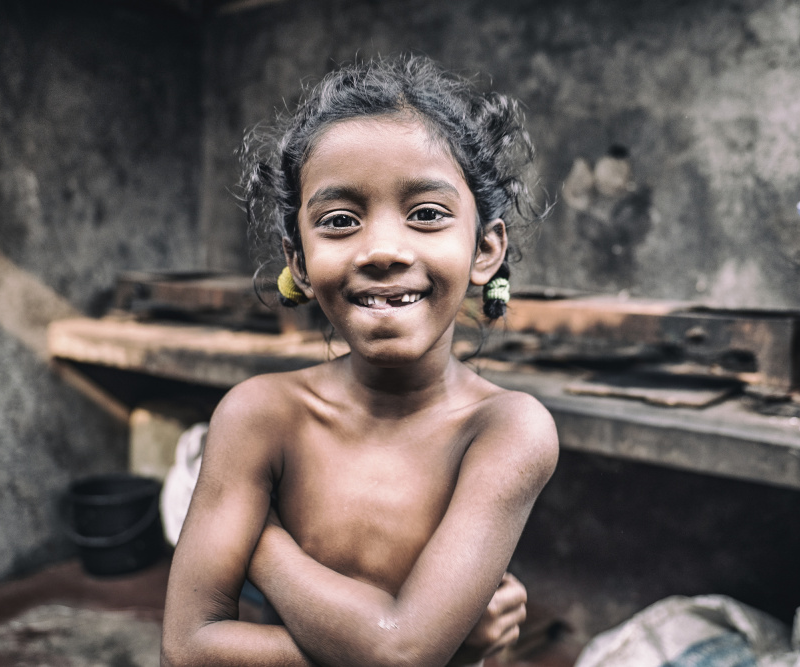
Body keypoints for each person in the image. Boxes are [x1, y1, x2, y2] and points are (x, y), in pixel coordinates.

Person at [161, 54, 558, 667]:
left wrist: (262, 543)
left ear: (485, 250)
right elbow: (187, 651)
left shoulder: (507, 430)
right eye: (340, 221)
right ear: (299, 262)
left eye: (427, 214)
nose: (381, 250)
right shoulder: (261, 414)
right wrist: (445, 652)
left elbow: (399, 651)